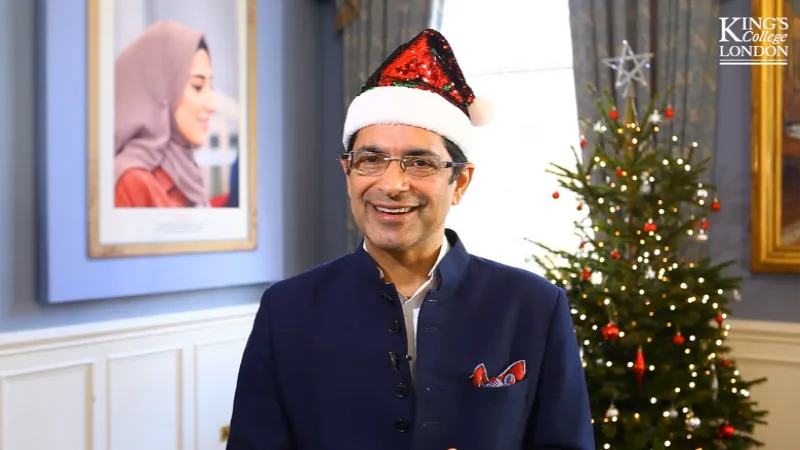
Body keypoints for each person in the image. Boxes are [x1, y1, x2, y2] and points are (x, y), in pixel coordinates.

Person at [227, 29, 594, 450]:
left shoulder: (533, 306)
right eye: (371, 160)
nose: (393, 184)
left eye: (420, 163)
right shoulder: (287, 309)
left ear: (460, 182)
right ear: (347, 175)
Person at [114, 21, 216, 208]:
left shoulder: (186, 172)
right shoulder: (132, 181)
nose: (212, 105)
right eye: (197, 86)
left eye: (211, 86)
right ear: (161, 91)